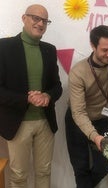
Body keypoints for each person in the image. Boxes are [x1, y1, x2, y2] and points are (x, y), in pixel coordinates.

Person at [0, 4, 62, 188]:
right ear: (24, 18)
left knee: (44, 172)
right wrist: (25, 98)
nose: (40, 23)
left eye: (44, 20)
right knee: (18, 175)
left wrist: (47, 96)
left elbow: (57, 86)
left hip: (45, 122)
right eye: (36, 18)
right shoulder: (4, 47)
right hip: (18, 123)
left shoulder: (50, 49)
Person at [65, 25, 108, 188]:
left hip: (102, 119)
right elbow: (78, 112)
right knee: (81, 168)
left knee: (104, 166)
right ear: (93, 46)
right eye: (105, 50)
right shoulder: (78, 72)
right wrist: (95, 136)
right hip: (76, 122)